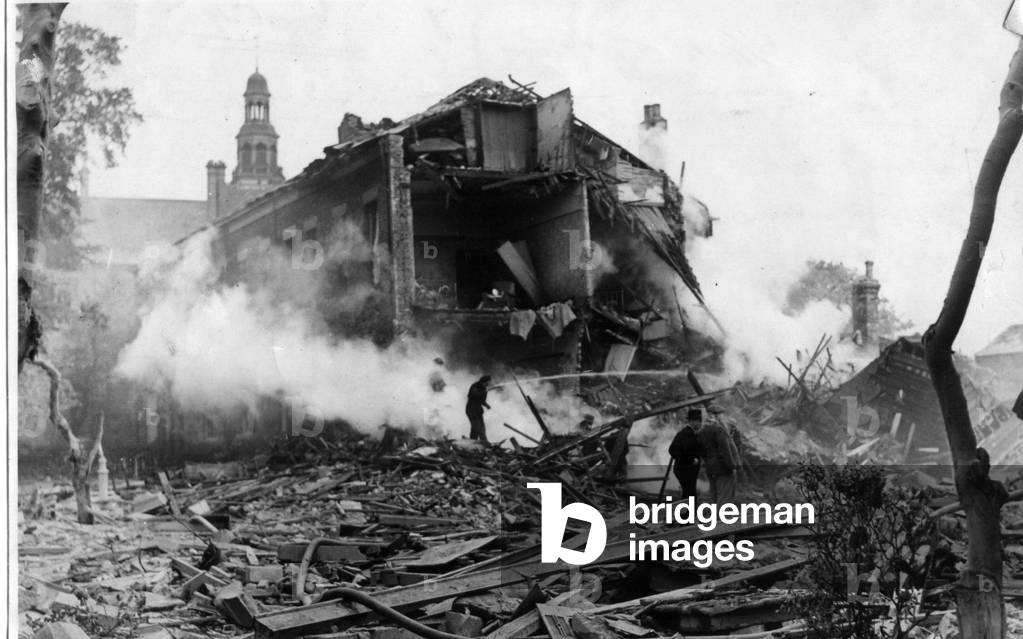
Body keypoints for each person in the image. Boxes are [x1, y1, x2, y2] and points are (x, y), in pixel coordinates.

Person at [698, 412, 741, 504]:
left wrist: (708, 461)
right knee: (725, 497)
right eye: (732, 427)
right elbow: (725, 451)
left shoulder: (702, 432)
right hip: (724, 469)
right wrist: (732, 466)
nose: (733, 430)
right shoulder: (720, 430)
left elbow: (701, 451)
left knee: (714, 496)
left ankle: (714, 513)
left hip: (711, 468)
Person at [669, 409, 704, 500]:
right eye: (699, 421)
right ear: (693, 421)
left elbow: (672, 450)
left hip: (682, 469)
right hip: (686, 469)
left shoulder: (684, 432)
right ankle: (688, 509)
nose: (700, 424)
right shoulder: (688, 434)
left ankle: (687, 509)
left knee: (688, 492)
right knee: (690, 493)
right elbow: (684, 450)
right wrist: (691, 460)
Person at [466, 375, 492, 442]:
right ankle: (485, 442)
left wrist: (486, 405)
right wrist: (485, 391)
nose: (490, 383)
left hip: (478, 410)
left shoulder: (484, 388)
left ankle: (472, 441)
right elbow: (473, 395)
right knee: (479, 428)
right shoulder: (476, 386)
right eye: (489, 381)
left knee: (477, 427)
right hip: (471, 409)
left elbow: (481, 400)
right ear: (486, 381)